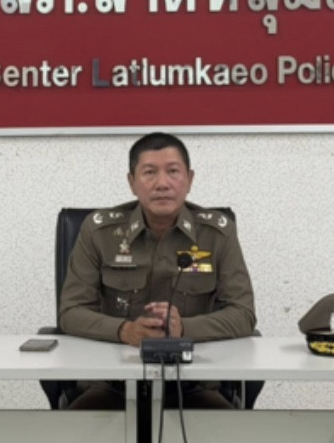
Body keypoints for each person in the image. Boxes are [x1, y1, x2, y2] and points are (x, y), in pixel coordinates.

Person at [58, 132, 256, 409]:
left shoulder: (217, 234)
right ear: (132, 182)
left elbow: (243, 314)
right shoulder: (99, 232)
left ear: (189, 179)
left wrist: (184, 328)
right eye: (149, 172)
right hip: (111, 384)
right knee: (75, 429)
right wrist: (125, 331)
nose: (162, 183)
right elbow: (70, 312)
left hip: (193, 384)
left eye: (173, 171)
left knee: (227, 431)